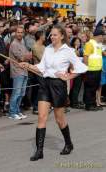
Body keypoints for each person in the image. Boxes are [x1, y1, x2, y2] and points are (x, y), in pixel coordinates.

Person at [20, 25, 88, 161]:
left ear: (62, 36)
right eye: (51, 35)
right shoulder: (48, 49)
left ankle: (68, 144)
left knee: (59, 120)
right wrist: (28, 66)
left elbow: (82, 67)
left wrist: (68, 76)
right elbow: (42, 67)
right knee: (41, 117)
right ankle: (39, 151)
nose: (52, 37)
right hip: (45, 84)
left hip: (58, 86)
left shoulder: (68, 51)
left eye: (55, 35)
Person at [83, 27, 104, 111]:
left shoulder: (97, 44)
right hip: (91, 70)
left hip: (97, 70)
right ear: (99, 35)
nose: (103, 38)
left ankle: (93, 104)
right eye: (102, 36)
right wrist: (86, 68)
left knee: (94, 88)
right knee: (90, 88)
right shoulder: (90, 44)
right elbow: (85, 57)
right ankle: (89, 105)